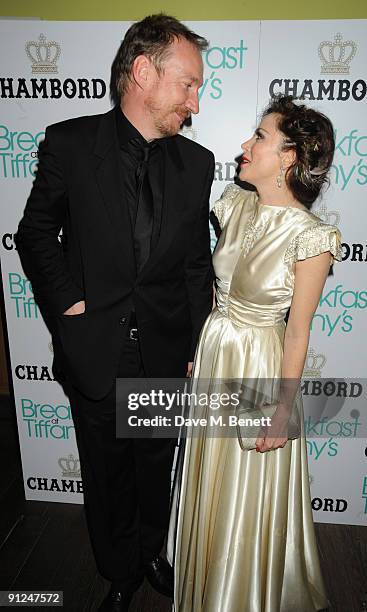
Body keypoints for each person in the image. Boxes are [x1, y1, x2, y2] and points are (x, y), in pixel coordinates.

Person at [16, 14, 214, 612]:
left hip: (162, 349)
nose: (195, 103)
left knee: (156, 467)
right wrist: (69, 305)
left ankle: (152, 551)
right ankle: (118, 572)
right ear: (143, 72)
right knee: (107, 476)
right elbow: (34, 234)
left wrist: (193, 346)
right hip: (96, 347)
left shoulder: (195, 164)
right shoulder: (70, 144)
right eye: (187, 85)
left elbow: (194, 267)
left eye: (198, 89)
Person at [170, 95, 342, 611]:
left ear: (289, 157)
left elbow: (296, 334)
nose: (245, 146)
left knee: (247, 489)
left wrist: (282, 412)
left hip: (258, 367)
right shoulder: (235, 203)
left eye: (260, 137)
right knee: (213, 480)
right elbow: (211, 285)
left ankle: (240, 596)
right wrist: (203, 349)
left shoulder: (312, 237)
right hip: (217, 351)